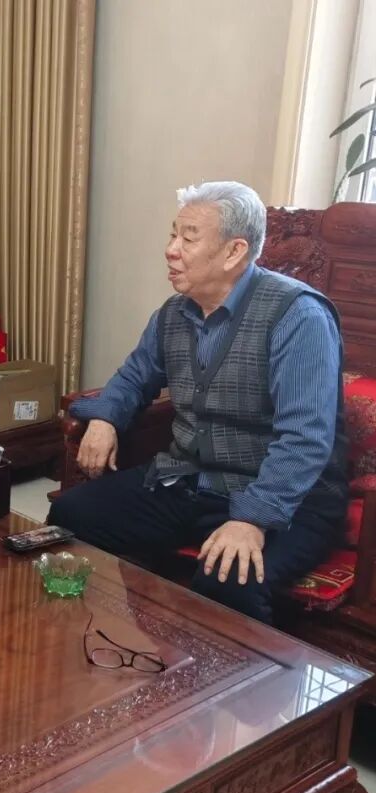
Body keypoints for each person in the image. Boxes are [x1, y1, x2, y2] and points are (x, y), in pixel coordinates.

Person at [47, 181, 348, 623]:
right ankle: (96, 635)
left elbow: (305, 438)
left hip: (284, 497)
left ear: (233, 252)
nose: (171, 250)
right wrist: (106, 418)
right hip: (189, 479)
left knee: (228, 579)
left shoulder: (298, 316)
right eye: (173, 235)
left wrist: (252, 519)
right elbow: (134, 376)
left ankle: (233, 669)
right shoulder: (175, 312)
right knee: (71, 515)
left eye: (188, 239)